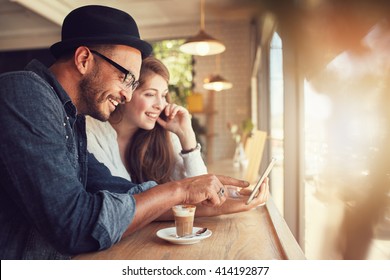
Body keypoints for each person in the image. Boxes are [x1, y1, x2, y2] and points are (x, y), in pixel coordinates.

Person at [0, 5, 266, 260]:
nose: (127, 94)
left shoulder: (71, 118)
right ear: (84, 60)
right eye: (126, 78)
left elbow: (124, 194)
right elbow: (74, 224)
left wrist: (226, 203)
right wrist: (180, 191)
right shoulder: (24, 94)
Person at [86, 56, 207, 183]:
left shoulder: (164, 135)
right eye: (150, 94)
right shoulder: (91, 132)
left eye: (163, 95)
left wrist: (187, 135)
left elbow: (201, 190)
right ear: (125, 93)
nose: (160, 105)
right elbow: (115, 194)